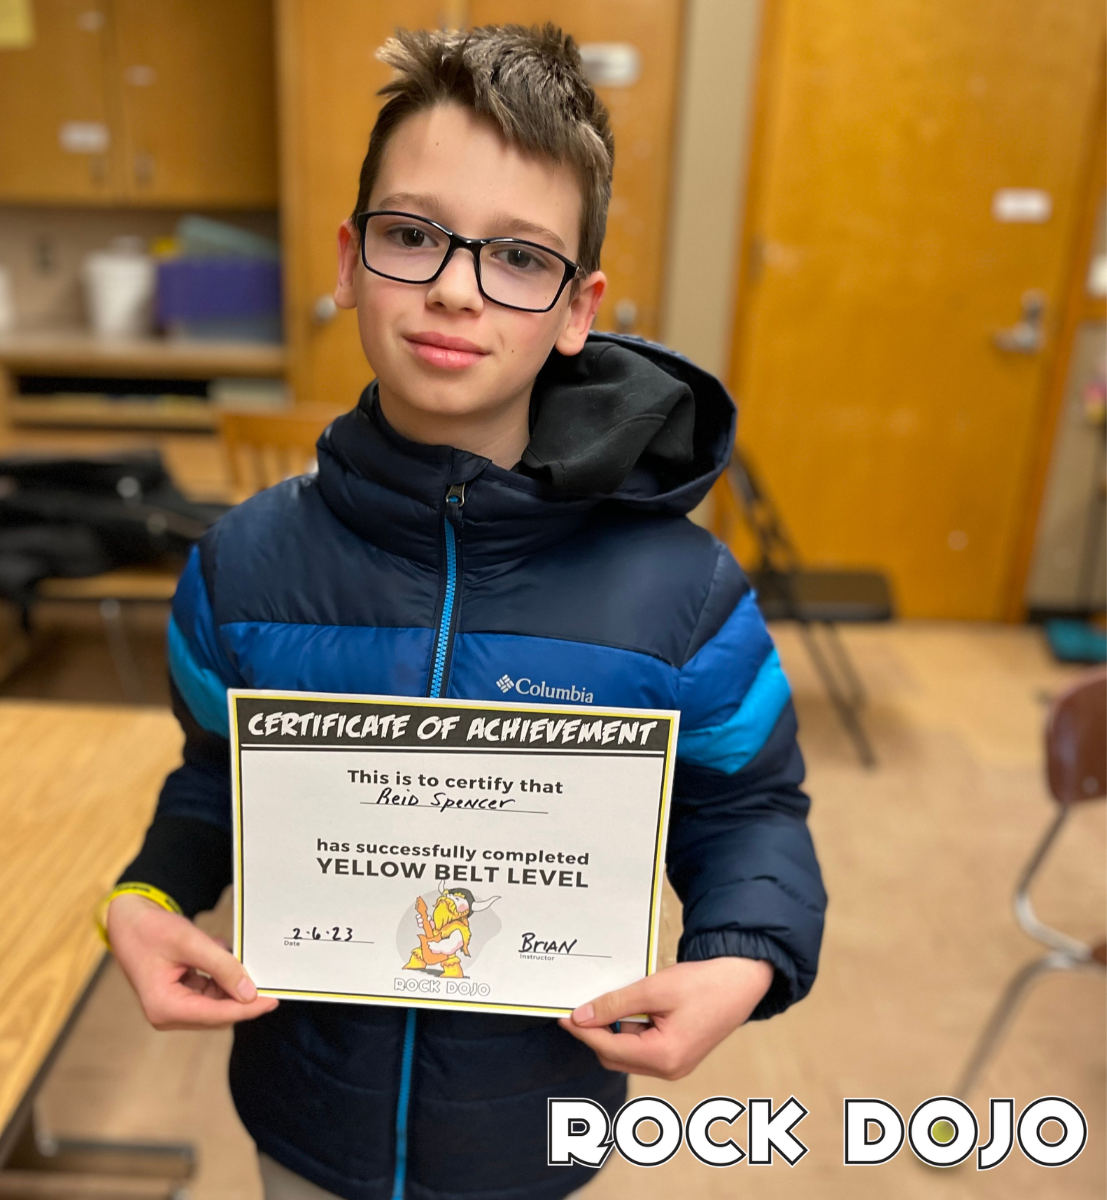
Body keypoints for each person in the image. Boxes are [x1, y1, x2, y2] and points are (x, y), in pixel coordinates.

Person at [103, 24, 826, 1200]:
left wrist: (741, 959)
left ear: (578, 307)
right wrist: (147, 895)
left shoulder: (686, 594)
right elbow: (211, 780)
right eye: (411, 235)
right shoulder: (239, 568)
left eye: (521, 258)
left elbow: (748, 807)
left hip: (534, 1138)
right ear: (348, 261)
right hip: (304, 1125)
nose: (453, 285)